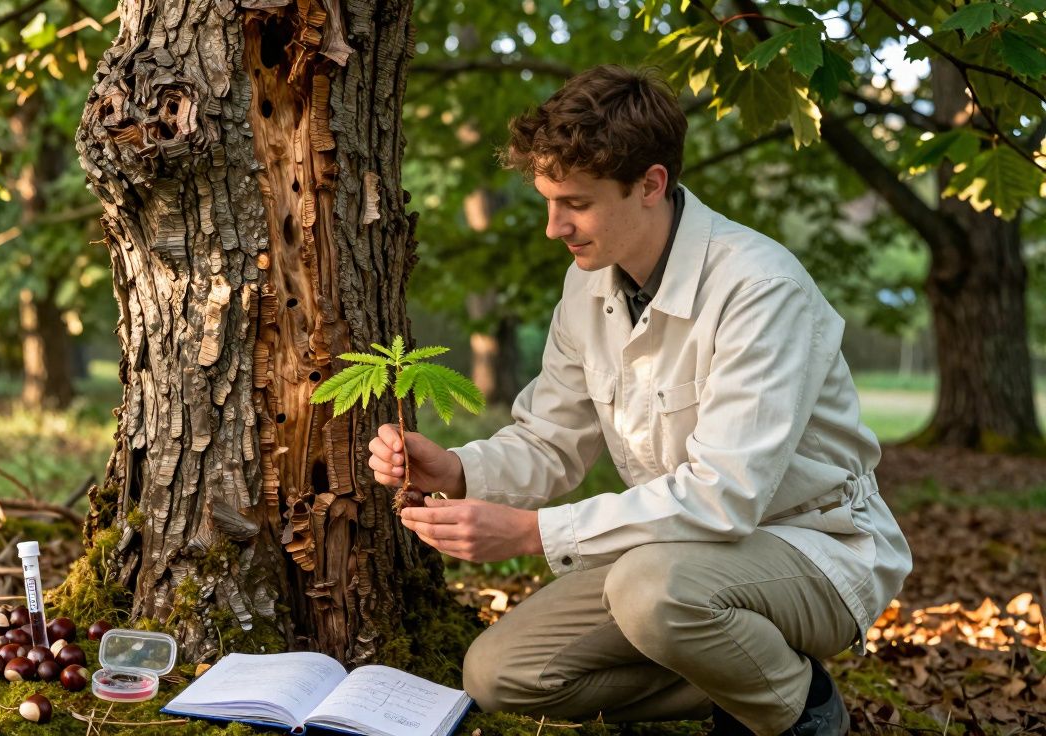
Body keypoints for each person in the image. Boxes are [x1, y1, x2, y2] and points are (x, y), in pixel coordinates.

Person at [368, 65, 912, 736]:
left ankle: (800, 709)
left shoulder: (760, 288)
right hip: (676, 557)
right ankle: (738, 670)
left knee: (649, 590)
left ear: (650, 184)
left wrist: (534, 533)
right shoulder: (589, 288)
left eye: (576, 203)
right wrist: (455, 469)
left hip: (813, 549)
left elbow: (726, 494)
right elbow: (550, 441)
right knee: (500, 674)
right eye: (546, 201)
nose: (553, 227)